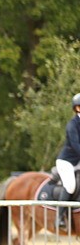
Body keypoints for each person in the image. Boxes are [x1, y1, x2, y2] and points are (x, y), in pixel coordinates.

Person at [50, 93, 80, 228]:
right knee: (70, 185)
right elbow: (76, 145)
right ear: (78, 108)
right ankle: (60, 217)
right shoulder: (72, 125)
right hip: (66, 162)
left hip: (78, 161)